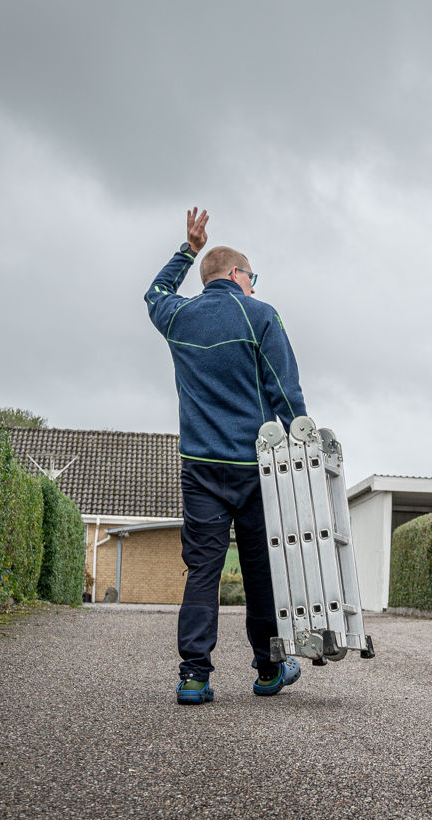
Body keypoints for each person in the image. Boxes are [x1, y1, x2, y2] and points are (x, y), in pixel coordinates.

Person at [144, 207, 306, 705]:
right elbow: (283, 390)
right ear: (236, 274)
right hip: (255, 467)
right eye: (252, 276)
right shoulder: (260, 315)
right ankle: (268, 670)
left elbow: (155, 292)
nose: (254, 286)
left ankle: (194, 677)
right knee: (260, 572)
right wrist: (302, 442)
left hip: (200, 468)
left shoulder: (178, 316)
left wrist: (187, 251)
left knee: (202, 571)